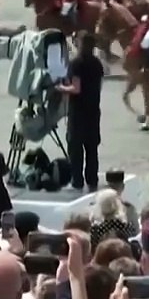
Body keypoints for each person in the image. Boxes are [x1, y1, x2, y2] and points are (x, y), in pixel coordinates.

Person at [57, 33, 105, 192]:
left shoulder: (76, 64)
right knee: (92, 148)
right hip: (93, 110)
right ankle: (92, 180)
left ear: (79, 44)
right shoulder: (97, 63)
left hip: (78, 112)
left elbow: (76, 88)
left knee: (76, 148)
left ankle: (77, 181)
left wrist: (60, 87)